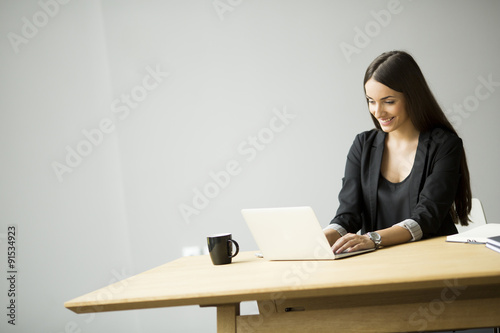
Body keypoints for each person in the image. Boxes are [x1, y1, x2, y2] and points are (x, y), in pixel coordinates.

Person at [324, 50, 472, 254]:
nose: (377, 112)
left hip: (435, 260)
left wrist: (372, 238)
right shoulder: (363, 144)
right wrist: (318, 238)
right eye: (371, 101)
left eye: (388, 101)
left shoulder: (445, 145)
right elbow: (348, 215)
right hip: (379, 263)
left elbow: (427, 217)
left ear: (412, 97)